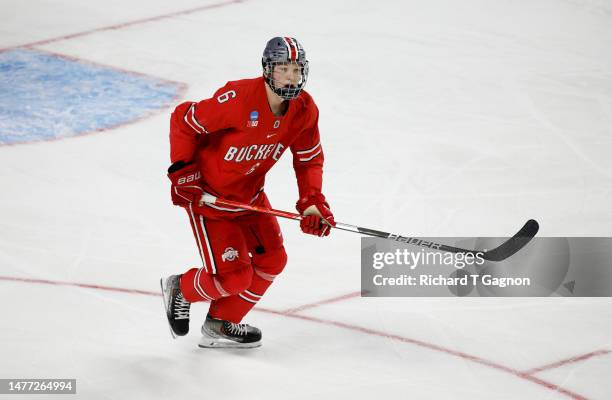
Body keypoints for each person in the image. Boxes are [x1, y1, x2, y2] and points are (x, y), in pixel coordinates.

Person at [160, 37, 335, 348]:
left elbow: (308, 159)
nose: (292, 77)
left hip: (251, 198)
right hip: (211, 200)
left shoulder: (304, 110)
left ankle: (221, 322)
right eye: (284, 69)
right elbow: (184, 120)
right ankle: (181, 288)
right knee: (233, 277)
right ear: (267, 70)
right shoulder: (238, 99)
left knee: (273, 261)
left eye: (297, 69)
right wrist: (184, 173)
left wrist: (312, 203)